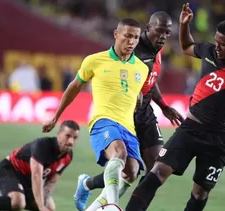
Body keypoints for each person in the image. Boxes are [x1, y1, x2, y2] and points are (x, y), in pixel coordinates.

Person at [124, 3, 225, 211]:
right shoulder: (208, 52)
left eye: (223, 44)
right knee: (157, 172)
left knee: (200, 193)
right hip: (189, 129)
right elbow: (186, 47)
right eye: (216, 41)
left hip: (217, 139)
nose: (217, 47)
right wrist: (184, 25)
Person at [73, 11, 184, 211]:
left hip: (146, 114)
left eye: (167, 33)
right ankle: (109, 202)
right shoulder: (134, 51)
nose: (163, 37)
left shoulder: (157, 49)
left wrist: (164, 106)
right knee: (125, 163)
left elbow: (150, 80)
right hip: (126, 115)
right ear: (148, 29)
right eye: (159, 31)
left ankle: (90, 187)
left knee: (157, 169)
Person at [42, 18, 149, 210]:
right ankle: (113, 206)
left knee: (131, 172)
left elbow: (133, 94)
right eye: (127, 36)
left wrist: (138, 99)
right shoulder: (95, 60)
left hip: (128, 126)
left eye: (135, 37)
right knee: (119, 153)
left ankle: (90, 200)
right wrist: (56, 116)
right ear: (116, 34)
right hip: (103, 122)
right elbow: (74, 86)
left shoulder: (142, 68)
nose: (132, 41)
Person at [0, 120, 80, 211]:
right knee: (18, 203)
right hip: (10, 170)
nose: (70, 141)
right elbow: (36, 177)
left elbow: (51, 182)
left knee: (51, 208)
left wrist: (44, 204)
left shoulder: (68, 156)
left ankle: (2, 199)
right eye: (67, 136)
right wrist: (41, 206)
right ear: (58, 134)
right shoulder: (43, 146)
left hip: (26, 180)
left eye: (75, 138)